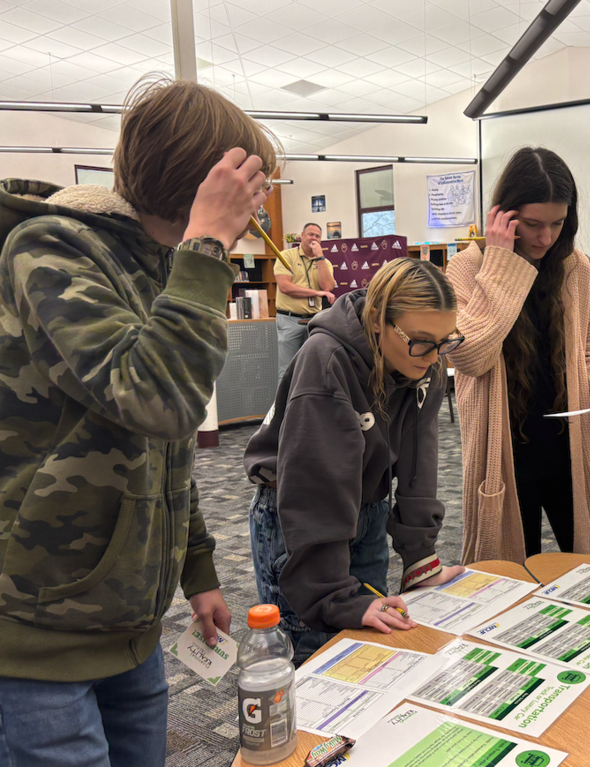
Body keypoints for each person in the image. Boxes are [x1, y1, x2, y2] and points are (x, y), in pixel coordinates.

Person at [0, 78, 276, 766]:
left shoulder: (163, 266)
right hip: (39, 635)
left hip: (129, 622)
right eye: (247, 188)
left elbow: (165, 443)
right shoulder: (51, 248)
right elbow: (158, 395)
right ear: (209, 184)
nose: (254, 206)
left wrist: (200, 569)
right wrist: (210, 241)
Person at [244, 258, 467, 665]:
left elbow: (421, 459)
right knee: (315, 654)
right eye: (421, 341)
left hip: (365, 507)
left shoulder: (424, 361)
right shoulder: (326, 358)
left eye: (445, 342)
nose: (434, 358)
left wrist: (420, 557)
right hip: (300, 517)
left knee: (367, 648)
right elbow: (315, 484)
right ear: (379, 320)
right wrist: (332, 596)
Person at [447, 147, 590, 562]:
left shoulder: (574, 267)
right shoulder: (466, 268)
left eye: (558, 224)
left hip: (571, 450)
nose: (546, 238)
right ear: (503, 216)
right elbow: (470, 356)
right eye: (532, 224)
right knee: (506, 585)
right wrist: (499, 264)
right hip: (503, 456)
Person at [275, 222, 338, 380]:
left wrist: (320, 257)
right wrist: (316, 292)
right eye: (310, 234)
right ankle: (285, 405)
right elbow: (285, 287)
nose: (314, 238)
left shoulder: (324, 262)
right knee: (288, 369)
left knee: (313, 368)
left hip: (314, 320)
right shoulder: (286, 256)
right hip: (290, 320)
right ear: (302, 236)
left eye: (317, 236)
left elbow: (328, 286)